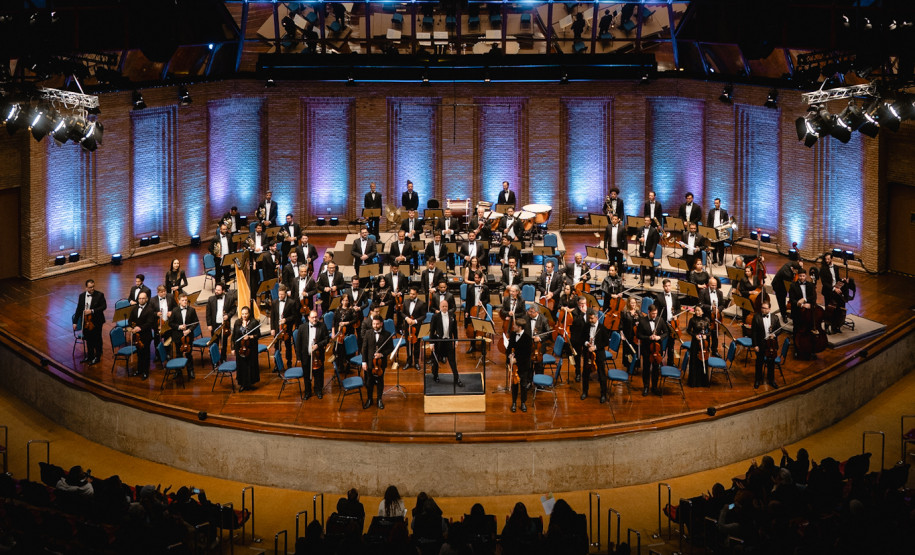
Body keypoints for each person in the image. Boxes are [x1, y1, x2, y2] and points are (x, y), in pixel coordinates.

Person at [295, 310, 329, 400]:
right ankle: (308, 392)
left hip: (318, 355)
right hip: (306, 355)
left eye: (316, 317)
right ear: (308, 318)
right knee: (306, 375)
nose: (315, 319)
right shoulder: (302, 327)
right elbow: (298, 343)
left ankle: (318, 391)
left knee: (319, 374)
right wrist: (298, 357)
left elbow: (327, 339)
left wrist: (318, 345)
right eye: (313, 317)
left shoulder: (322, 326)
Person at [362, 315, 394, 409]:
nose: (375, 326)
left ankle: (379, 399)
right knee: (369, 381)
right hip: (369, 361)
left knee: (380, 380)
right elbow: (364, 348)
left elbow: (390, 348)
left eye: (377, 324)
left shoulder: (387, 334)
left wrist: (382, 354)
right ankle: (369, 399)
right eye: (374, 324)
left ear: (381, 324)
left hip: (380, 363)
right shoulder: (368, 333)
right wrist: (364, 362)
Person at [637, 304, 669, 396]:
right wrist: (649, 337)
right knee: (646, 369)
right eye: (653, 314)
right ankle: (646, 387)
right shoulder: (642, 321)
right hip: (646, 349)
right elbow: (639, 335)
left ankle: (654, 387)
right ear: (648, 312)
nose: (654, 315)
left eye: (656, 313)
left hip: (657, 349)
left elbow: (666, 332)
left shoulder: (660, 320)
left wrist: (659, 337)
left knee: (656, 369)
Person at [74, 279, 106, 365]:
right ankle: (90, 356)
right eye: (90, 287)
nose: (92, 289)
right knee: (88, 339)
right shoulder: (81, 296)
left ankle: (97, 357)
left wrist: (92, 311)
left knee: (97, 339)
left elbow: (104, 306)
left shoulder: (99, 295)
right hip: (86, 322)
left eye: (93, 287)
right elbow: (78, 309)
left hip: (97, 321)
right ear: (86, 288)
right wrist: (75, 322)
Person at [579, 309, 609, 403]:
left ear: (597, 317)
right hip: (588, 353)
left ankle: (603, 394)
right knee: (585, 373)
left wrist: (595, 347)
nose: (590, 320)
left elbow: (606, 342)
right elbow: (582, 338)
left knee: (601, 374)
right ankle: (585, 392)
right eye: (589, 318)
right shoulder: (586, 326)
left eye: (592, 318)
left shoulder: (602, 328)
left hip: (599, 353)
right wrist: (586, 343)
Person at [430, 299, 462, 386]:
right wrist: (431, 343)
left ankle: (456, 378)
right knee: (436, 360)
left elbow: (455, 329)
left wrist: (456, 339)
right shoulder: (435, 316)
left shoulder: (452, 315)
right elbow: (431, 331)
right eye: (443, 306)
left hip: (448, 341)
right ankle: (435, 375)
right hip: (439, 341)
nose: (444, 308)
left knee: (452, 361)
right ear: (440, 307)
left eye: (446, 306)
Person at [751, 301, 781, 389]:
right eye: (762, 308)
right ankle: (757, 380)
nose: (762, 310)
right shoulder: (756, 317)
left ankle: (771, 380)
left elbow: (780, 329)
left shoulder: (775, 317)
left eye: (765, 308)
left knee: (771, 363)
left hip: (771, 344)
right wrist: (755, 345)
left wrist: (774, 335)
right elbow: (754, 333)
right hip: (761, 344)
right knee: (759, 363)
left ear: (769, 309)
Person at [169, 293, 199, 378]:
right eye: (183, 300)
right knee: (178, 354)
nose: (185, 302)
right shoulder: (174, 310)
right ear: (178, 301)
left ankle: (190, 371)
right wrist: (179, 327)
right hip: (178, 336)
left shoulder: (192, 310)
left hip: (189, 336)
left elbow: (196, 322)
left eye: (186, 300)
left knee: (189, 354)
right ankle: (178, 371)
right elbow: (171, 323)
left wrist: (189, 330)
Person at [129, 291, 157, 379]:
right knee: (139, 354)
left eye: (143, 298)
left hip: (146, 336)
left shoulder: (150, 310)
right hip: (136, 336)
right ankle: (139, 370)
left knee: (145, 354)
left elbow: (150, 323)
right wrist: (132, 326)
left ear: (146, 299)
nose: (141, 300)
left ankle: (145, 372)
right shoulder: (134, 308)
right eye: (140, 298)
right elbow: (130, 320)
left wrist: (140, 328)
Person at [507, 317, 532, 412]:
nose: (513, 326)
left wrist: (516, 360)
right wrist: (509, 355)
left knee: (523, 384)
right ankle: (514, 402)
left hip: (523, 365)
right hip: (514, 366)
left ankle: (523, 403)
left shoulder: (527, 338)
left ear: (520, 327)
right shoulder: (513, 334)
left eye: (515, 325)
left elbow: (527, 355)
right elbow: (509, 347)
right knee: (514, 385)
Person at [205, 283, 236, 362]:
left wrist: (228, 315)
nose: (216, 291)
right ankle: (215, 360)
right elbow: (208, 313)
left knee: (224, 342)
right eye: (216, 289)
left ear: (223, 291)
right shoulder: (211, 299)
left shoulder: (230, 298)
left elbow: (233, 309)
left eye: (218, 290)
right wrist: (209, 324)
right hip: (214, 324)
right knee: (214, 342)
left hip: (225, 324)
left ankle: (223, 358)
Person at [233, 306, 261, 392]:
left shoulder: (254, 322)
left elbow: (258, 335)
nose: (244, 316)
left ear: (249, 314)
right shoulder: (237, 322)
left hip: (250, 348)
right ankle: (242, 384)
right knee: (241, 366)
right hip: (240, 348)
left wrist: (250, 336)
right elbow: (234, 336)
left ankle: (249, 383)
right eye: (242, 314)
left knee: (249, 365)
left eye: (246, 314)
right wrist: (233, 348)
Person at [270, 284, 298, 368]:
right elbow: (272, 316)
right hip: (277, 328)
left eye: (282, 294)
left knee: (288, 346)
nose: (280, 296)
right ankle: (277, 365)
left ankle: (289, 363)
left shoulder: (291, 302)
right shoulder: (274, 302)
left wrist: (286, 320)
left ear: (286, 294)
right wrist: (272, 328)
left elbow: (294, 316)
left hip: (286, 328)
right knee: (277, 347)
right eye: (279, 294)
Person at [654, 279, 681, 365]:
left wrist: (676, 315)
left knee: (671, 344)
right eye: (666, 286)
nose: (668, 288)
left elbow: (678, 308)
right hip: (663, 324)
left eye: (669, 286)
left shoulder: (675, 296)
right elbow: (656, 312)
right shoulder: (659, 297)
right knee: (662, 343)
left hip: (672, 323)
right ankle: (659, 361)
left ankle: (670, 362)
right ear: (663, 287)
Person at [401, 287, 426, 369]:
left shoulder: (421, 303)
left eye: (413, 294)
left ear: (417, 294)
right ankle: (408, 362)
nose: (411, 295)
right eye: (410, 293)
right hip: (407, 327)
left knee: (417, 346)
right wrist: (406, 318)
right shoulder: (405, 301)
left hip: (417, 327)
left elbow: (423, 316)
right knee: (408, 345)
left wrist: (415, 321)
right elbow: (402, 313)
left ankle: (416, 362)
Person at [686, 305, 711, 387]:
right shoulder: (692, 320)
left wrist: (706, 336)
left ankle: (703, 382)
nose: (697, 312)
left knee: (703, 360)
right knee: (694, 361)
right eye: (696, 310)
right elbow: (688, 331)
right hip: (695, 343)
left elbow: (710, 331)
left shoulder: (706, 319)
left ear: (702, 311)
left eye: (699, 310)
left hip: (704, 343)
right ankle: (694, 382)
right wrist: (695, 335)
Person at [568, 296, 591, 383]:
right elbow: (575, 323)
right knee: (577, 357)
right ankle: (578, 373)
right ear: (578, 303)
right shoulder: (574, 312)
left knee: (587, 356)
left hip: (587, 337)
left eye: (584, 304)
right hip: (577, 337)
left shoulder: (590, 311)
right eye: (581, 304)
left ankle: (586, 373)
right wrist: (582, 313)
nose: (583, 305)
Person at [150, 285, 176, 355]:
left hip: (168, 323)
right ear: (158, 292)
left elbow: (175, 307)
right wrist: (156, 314)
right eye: (162, 292)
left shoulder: (170, 297)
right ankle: (157, 354)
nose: (164, 293)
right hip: (158, 324)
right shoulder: (152, 300)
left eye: (165, 291)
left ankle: (168, 353)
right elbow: (149, 312)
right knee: (157, 340)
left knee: (168, 339)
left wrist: (172, 312)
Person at [636, 216, 660, 285]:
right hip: (642, 250)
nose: (646, 222)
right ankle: (642, 279)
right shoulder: (640, 228)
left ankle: (652, 279)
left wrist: (652, 251)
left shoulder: (653, 230)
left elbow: (655, 242)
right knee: (642, 266)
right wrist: (639, 239)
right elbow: (636, 237)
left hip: (650, 251)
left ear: (650, 222)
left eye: (647, 220)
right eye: (645, 220)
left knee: (651, 266)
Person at [706, 198, 729, 265]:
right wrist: (709, 230)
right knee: (713, 246)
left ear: (720, 203)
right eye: (715, 203)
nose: (715, 204)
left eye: (717, 203)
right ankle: (714, 259)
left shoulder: (724, 212)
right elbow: (708, 222)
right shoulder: (711, 211)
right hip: (713, 230)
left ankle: (721, 260)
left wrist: (724, 228)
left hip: (721, 231)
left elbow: (727, 222)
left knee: (721, 247)